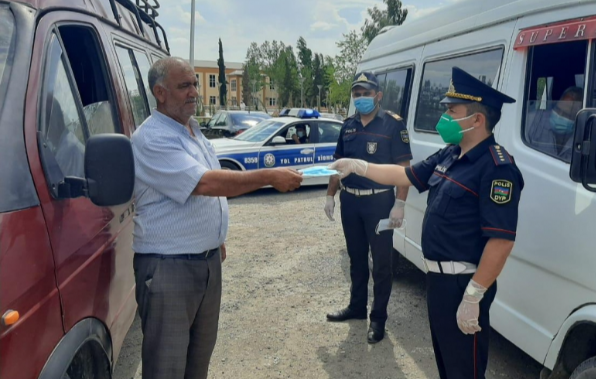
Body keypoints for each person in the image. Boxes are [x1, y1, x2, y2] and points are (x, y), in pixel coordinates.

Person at [329, 66, 524, 378]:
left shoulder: (496, 168)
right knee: (448, 365)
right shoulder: (450, 154)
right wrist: (360, 166)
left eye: (452, 110)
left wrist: (474, 296)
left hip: (464, 284)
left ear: (477, 119)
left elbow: (501, 241)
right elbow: (404, 174)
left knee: (465, 370)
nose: (444, 115)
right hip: (438, 282)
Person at [131, 57, 302, 379]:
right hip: (168, 267)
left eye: (196, 83)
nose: (194, 92)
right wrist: (267, 176)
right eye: (185, 86)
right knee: (166, 367)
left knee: (198, 361)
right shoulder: (153, 138)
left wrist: (215, 237)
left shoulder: (191, 131)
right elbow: (205, 183)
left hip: (204, 261)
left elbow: (212, 180)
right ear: (160, 92)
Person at [324, 71, 413, 344]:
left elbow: (404, 169)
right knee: (356, 258)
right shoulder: (348, 125)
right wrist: (330, 195)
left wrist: (400, 203)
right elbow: (337, 164)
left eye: (366, 93)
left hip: (379, 202)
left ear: (378, 95)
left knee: (382, 264)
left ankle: (378, 319)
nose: (361, 98)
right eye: (357, 94)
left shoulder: (393, 125)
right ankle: (357, 308)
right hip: (350, 200)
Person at [524, 86, 583, 161]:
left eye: (566, 114)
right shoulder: (533, 121)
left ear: (578, 119)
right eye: (557, 109)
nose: (558, 115)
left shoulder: (582, 139)